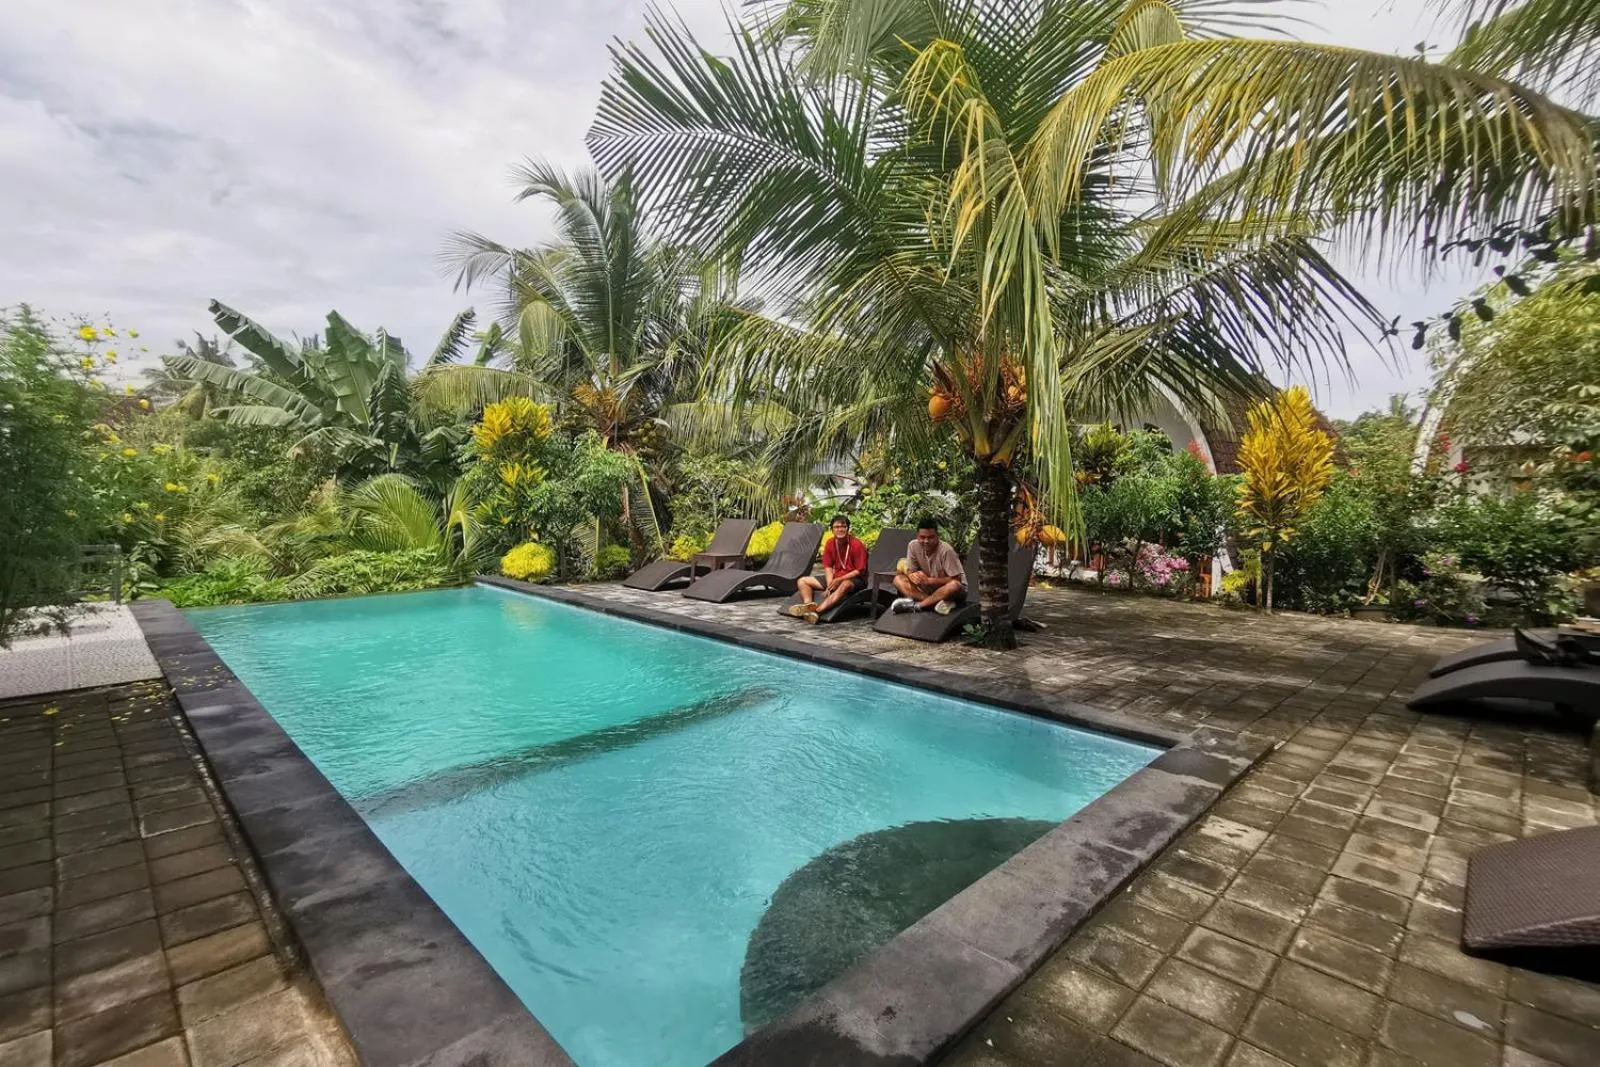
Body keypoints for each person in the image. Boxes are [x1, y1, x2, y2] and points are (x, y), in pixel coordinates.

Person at [788, 514, 868, 623]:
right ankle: (808, 605)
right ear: (832, 530)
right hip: (836, 578)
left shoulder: (857, 545)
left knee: (845, 584)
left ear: (848, 529)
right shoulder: (830, 543)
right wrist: (830, 584)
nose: (840, 529)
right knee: (803, 581)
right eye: (837, 527)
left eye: (843, 527)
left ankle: (817, 611)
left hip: (855, 580)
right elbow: (828, 567)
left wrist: (839, 580)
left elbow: (860, 570)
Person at [891, 517, 966, 614]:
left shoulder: (946, 550)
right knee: (898, 579)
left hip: (950, 592)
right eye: (922, 537)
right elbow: (910, 570)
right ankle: (935, 604)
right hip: (927, 590)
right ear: (917, 536)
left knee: (954, 585)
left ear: (937, 536)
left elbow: (956, 579)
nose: (926, 541)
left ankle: (918, 606)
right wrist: (913, 576)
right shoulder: (912, 546)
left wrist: (929, 581)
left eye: (930, 537)